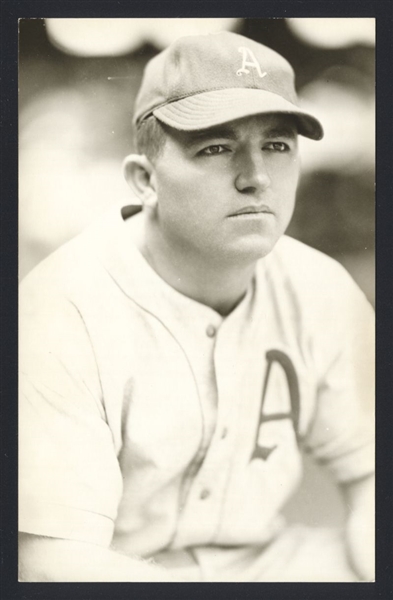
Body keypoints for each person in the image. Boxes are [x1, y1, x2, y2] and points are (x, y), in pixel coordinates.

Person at [18, 31, 375, 582]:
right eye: (216, 147)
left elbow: (374, 474)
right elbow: (50, 557)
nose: (256, 177)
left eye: (277, 146)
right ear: (145, 180)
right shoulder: (60, 308)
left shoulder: (322, 288)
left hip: (268, 566)